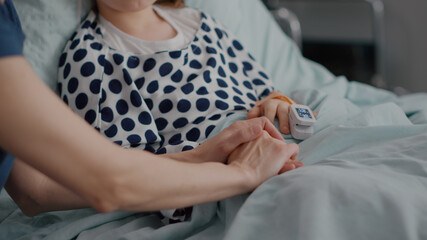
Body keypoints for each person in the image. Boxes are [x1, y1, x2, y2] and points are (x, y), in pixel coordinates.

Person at [0, 0, 301, 218]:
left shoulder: (203, 23)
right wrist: (236, 169)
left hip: (273, 138)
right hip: (208, 172)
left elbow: (265, 89)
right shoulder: (89, 58)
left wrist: (278, 104)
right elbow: (121, 169)